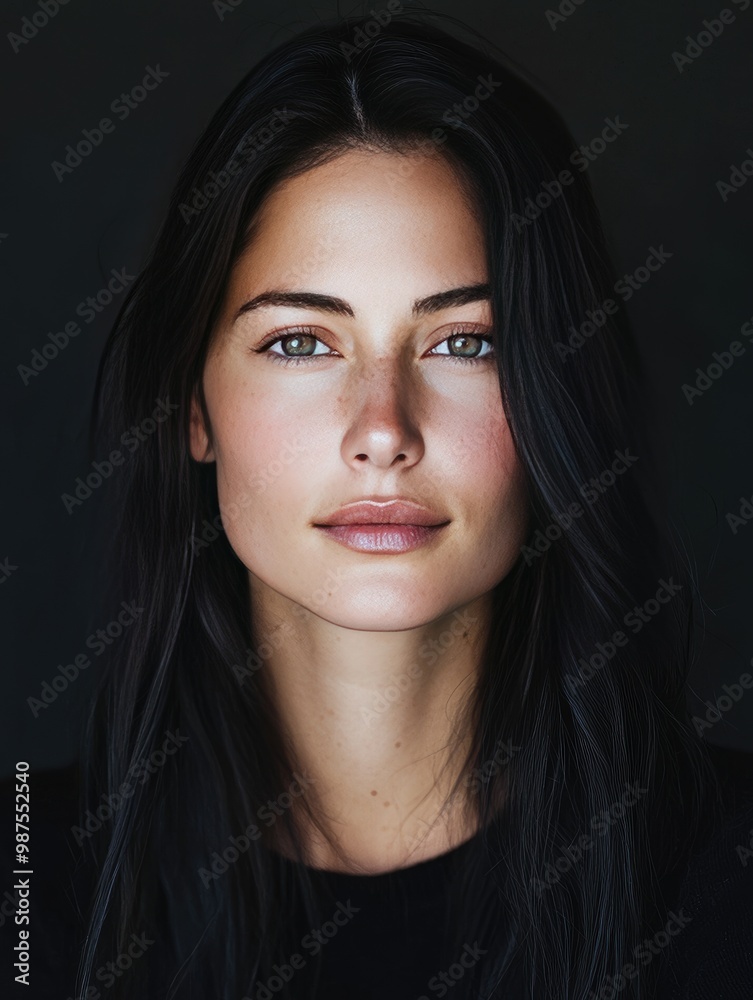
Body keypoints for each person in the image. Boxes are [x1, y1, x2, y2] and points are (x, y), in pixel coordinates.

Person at [5, 9, 752, 1000]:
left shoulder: (726, 877)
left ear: (558, 390)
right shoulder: (29, 884)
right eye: (301, 344)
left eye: (465, 342)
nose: (383, 428)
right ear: (194, 406)